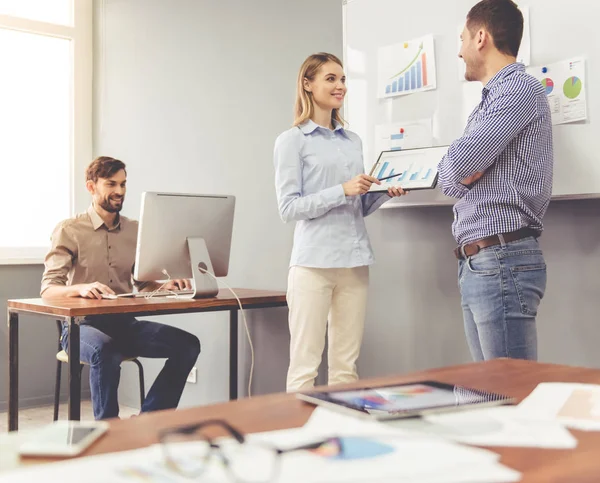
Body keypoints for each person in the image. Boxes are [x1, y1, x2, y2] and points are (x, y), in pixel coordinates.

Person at [274, 52, 405, 392]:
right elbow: (289, 208)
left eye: (343, 79)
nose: (340, 86)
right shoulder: (292, 141)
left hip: (355, 263)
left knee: (346, 369)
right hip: (312, 264)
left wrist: (384, 193)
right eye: (331, 78)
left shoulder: (354, 141)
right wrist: (342, 190)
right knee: (304, 368)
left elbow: (356, 206)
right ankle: (301, 439)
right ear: (308, 84)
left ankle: (342, 436)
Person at [41, 156, 201, 419]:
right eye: (111, 184)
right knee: (106, 349)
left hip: (125, 325)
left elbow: (142, 282)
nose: (119, 191)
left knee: (187, 345)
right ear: (91, 187)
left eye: (123, 184)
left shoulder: (135, 230)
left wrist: (165, 285)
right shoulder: (69, 230)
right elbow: (49, 290)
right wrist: (79, 289)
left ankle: (149, 419)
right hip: (81, 328)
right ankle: (110, 430)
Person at [437, 0, 553, 361]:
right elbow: (451, 180)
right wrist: (464, 168)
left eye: (462, 39)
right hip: (482, 261)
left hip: (502, 259)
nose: (459, 51)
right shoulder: (488, 102)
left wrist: (467, 167)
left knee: (510, 395)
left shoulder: (519, 90)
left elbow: (457, 164)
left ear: (481, 37)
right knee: (491, 394)